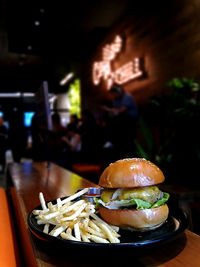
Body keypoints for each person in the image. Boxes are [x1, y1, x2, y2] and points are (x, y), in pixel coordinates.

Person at [101, 83, 138, 158]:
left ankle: (113, 141)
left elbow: (120, 111)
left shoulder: (127, 97)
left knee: (118, 121)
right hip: (121, 120)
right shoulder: (116, 100)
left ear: (119, 91)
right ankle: (111, 142)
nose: (114, 95)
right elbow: (114, 112)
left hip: (130, 120)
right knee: (110, 120)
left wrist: (108, 109)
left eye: (114, 93)